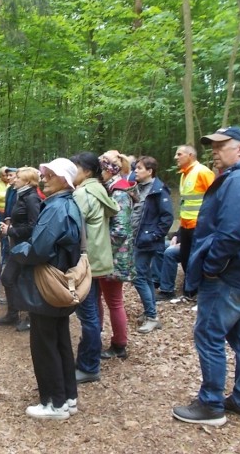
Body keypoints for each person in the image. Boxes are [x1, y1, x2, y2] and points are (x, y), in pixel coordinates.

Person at [172, 127, 240, 426]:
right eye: (213, 148)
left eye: (222, 147)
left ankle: (211, 405)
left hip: (230, 275)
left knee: (208, 335)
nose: (215, 153)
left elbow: (230, 233)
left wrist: (211, 267)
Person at [11, 158, 81, 420]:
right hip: (60, 283)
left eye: (50, 174)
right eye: (45, 174)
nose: (44, 178)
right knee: (60, 340)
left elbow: (39, 249)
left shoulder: (55, 209)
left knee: (44, 344)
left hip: (47, 286)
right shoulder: (69, 205)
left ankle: (54, 403)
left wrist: (18, 250)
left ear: (64, 180)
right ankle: (68, 398)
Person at [70, 152, 119, 383]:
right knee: (93, 313)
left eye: (75, 167)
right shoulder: (100, 190)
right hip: (99, 261)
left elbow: (74, 229)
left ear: (87, 171)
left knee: (88, 315)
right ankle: (90, 358)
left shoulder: (82, 193)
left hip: (87, 261)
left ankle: (89, 366)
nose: (72, 172)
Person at [98, 150, 136, 359]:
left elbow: (120, 230)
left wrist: (99, 244)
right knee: (110, 299)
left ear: (108, 170)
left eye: (101, 169)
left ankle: (119, 344)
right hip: (112, 255)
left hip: (113, 256)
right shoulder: (113, 189)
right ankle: (108, 338)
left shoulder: (119, 192)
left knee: (114, 301)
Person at [131, 156, 174, 334]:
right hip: (137, 238)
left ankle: (152, 316)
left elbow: (167, 218)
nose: (135, 171)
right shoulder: (139, 188)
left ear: (150, 171)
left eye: (139, 168)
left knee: (138, 276)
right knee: (145, 276)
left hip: (146, 240)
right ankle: (150, 312)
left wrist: (153, 236)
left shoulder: (159, 191)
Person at [0, 167, 42, 328]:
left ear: (27, 182)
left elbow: (35, 227)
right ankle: (13, 313)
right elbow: (21, 219)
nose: (14, 180)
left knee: (26, 281)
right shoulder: (21, 195)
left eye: (18, 178)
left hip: (27, 247)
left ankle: (31, 318)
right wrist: (10, 222)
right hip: (18, 245)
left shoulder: (31, 198)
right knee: (9, 278)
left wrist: (11, 230)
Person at [171, 144, 215, 301]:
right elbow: (186, 204)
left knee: (198, 260)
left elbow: (215, 198)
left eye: (179, 154)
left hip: (200, 226)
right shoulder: (184, 174)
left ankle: (198, 293)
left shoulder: (203, 172)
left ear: (190, 155)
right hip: (185, 226)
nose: (176, 157)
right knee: (185, 259)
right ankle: (190, 291)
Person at [156, 236, 181, 301]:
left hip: (193, 245)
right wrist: (175, 237)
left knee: (170, 253)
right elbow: (182, 230)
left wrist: (184, 244)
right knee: (159, 245)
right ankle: (156, 280)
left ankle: (167, 290)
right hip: (182, 242)